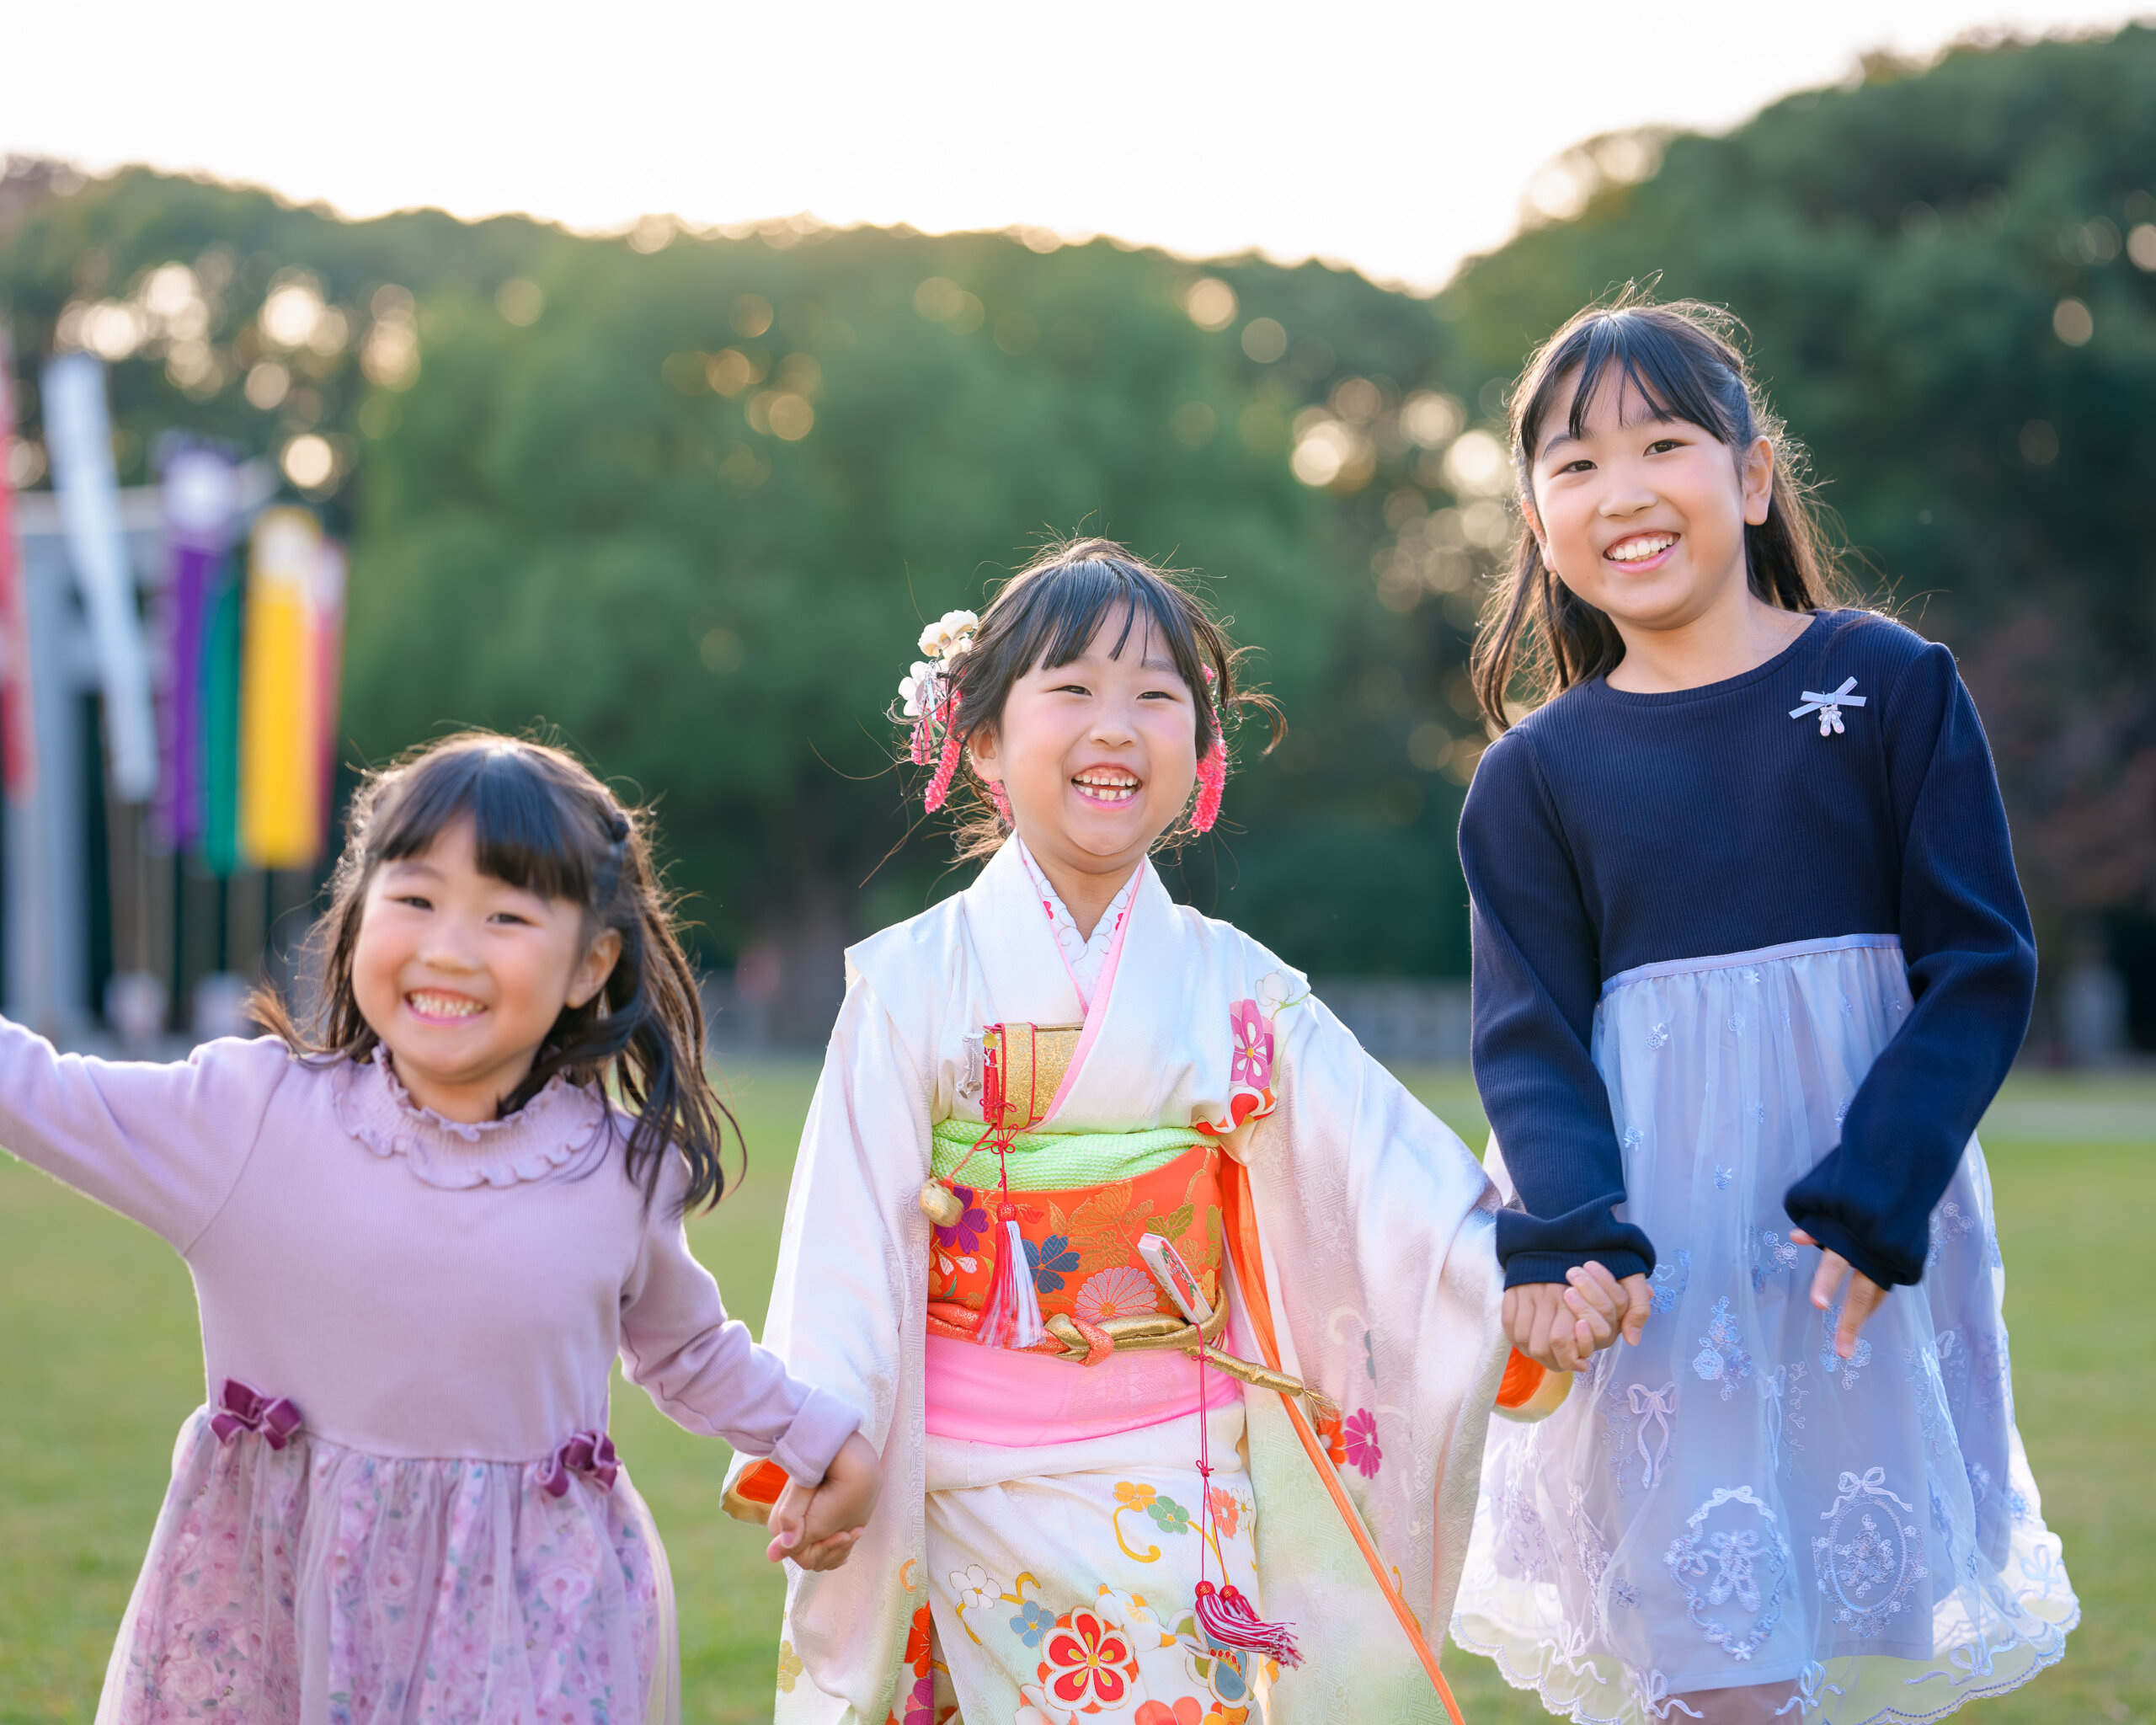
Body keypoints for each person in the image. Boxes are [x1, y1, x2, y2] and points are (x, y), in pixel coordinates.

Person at [726, 540, 1508, 1724]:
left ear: (1201, 753)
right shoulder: (910, 985)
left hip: (1184, 1484)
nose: (1118, 724)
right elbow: (846, 1245)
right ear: (980, 742)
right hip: (968, 1490)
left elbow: (1389, 1176)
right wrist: (823, 1437)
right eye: (1074, 689)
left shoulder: (1242, 988)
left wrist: (1518, 1265)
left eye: (1158, 696)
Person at [1446, 296, 2078, 1723]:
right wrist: (1570, 1232)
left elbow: (1980, 965)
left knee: (1821, 1614)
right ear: (1538, 515)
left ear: (1750, 475)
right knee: (1710, 1645)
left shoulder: (1891, 685)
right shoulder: (1536, 776)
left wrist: (1879, 1191)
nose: (1623, 490)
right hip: (1651, 1268)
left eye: (1662, 441)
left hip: (1843, 1238)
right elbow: (1527, 1036)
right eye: (1573, 461)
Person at [1, 733, 880, 1723]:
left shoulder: (615, 1170)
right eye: (414, 899)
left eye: (506, 914)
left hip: (526, 1614)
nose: (448, 947)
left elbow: (687, 1351)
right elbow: (33, 1089)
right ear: (361, 905)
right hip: (279, 1605)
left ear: (591, 961)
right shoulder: (246, 1117)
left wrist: (815, 1438)